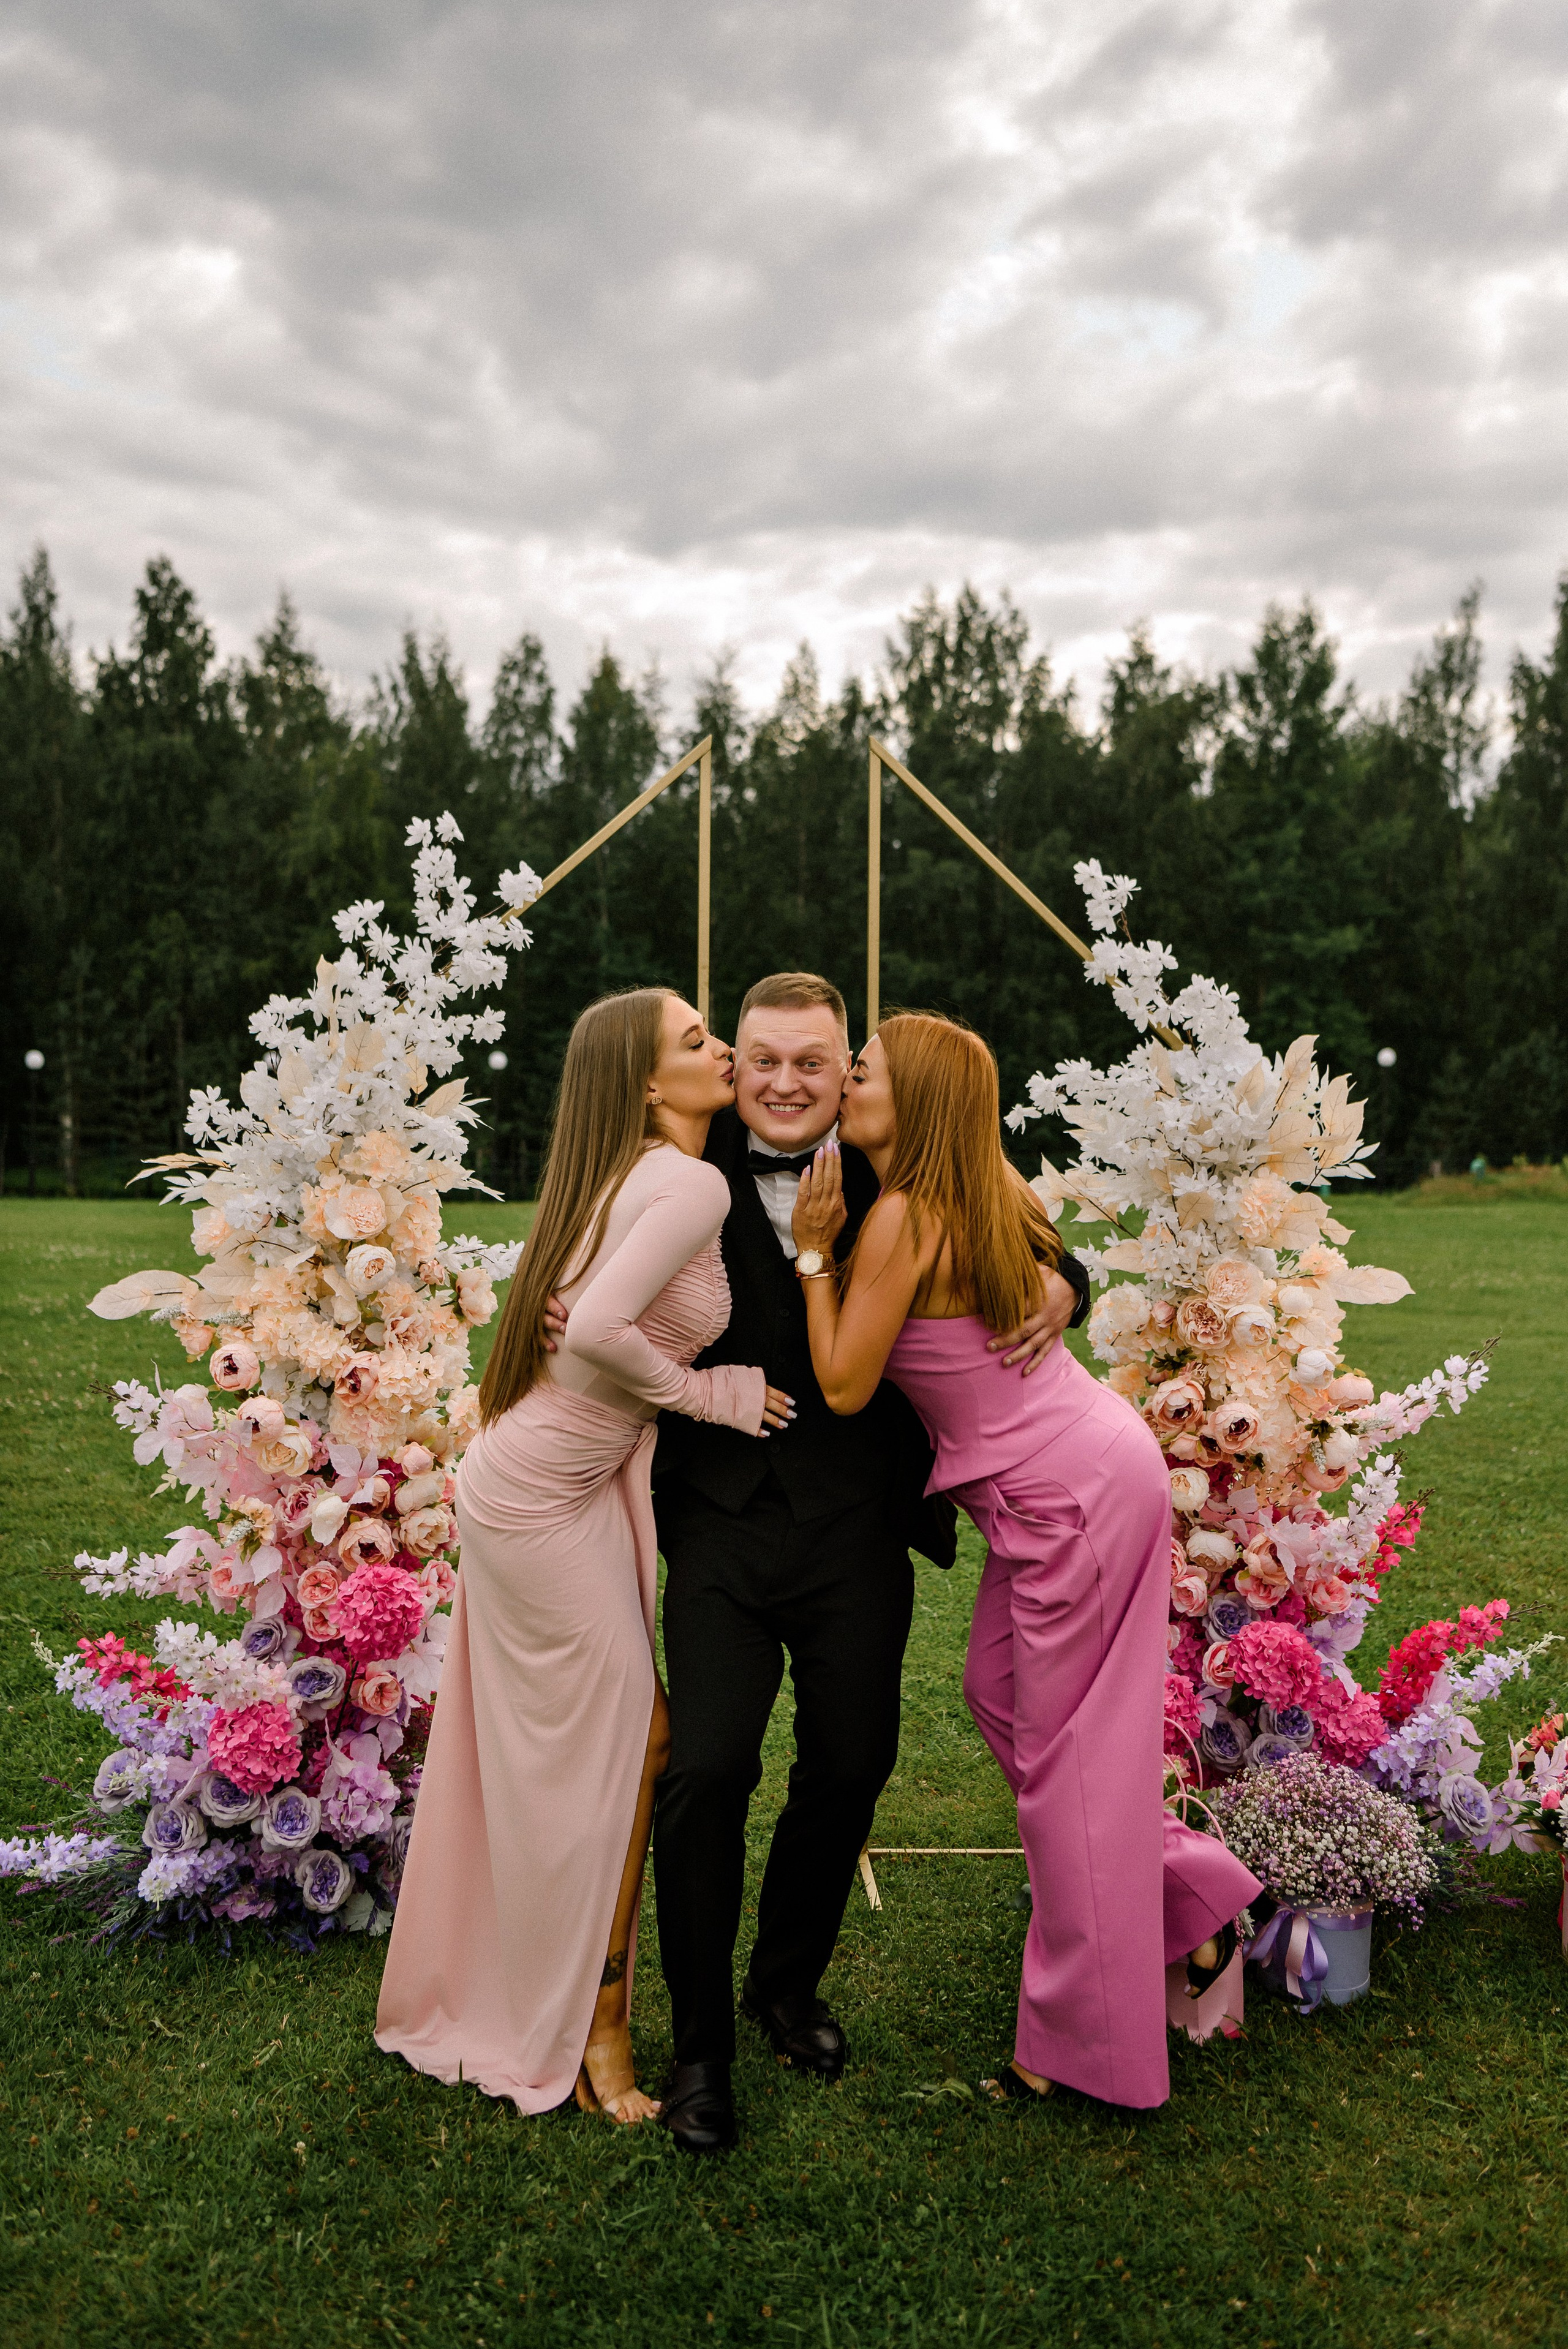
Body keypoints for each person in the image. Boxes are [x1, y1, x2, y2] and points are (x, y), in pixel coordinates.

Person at [543, 973, 1089, 2153]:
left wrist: (1067, 1285)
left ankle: (785, 1984)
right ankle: (699, 2050)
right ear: (732, 1065)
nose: (785, 1084)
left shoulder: (906, 1146)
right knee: (709, 1767)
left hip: (859, 1522)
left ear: (850, 1072)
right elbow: (586, 1261)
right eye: (762, 1060)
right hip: (720, 1521)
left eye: (813, 1063)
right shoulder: (684, 1162)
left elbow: (1035, 1237)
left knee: (853, 1762)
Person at [790, 1012, 1261, 2111]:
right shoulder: (971, 1182)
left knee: (1066, 1769)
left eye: (865, 1070)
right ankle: (1192, 1900)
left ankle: (1073, 2054)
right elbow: (1056, 1262)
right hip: (1068, 1480)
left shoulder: (909, 1210)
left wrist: (814, 1254)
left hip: (1071, 1496)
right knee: (997, 1695)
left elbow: (847, 1384)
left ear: (919, 1101)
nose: (849, 1080)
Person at [375, 988, 790, 2120]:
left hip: (568, 1481)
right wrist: (712, 1396)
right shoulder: (687, 1180)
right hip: (537, 1498)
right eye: (697, 1042)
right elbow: (603, 1328)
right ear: (651, 1086)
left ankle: (564, 1994)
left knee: (608, 1742)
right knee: (643, 1735)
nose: (721, 1052)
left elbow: (590, 1322)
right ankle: (598, 2023)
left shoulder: (639, 1176)